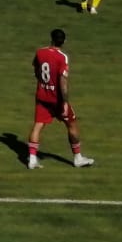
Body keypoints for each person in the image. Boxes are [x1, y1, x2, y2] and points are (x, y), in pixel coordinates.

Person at [27, 27, 95, 169]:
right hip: (56, 99)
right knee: (72, 124)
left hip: (42, 96)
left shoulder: (40, 52)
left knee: (38, 125)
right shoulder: (62, 57)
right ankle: (78, 158)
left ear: (51, 39)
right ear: (64, 41)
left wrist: (43, 83)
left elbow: (36, 68)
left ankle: (32, 159)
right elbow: (63, 81)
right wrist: (64, 102)